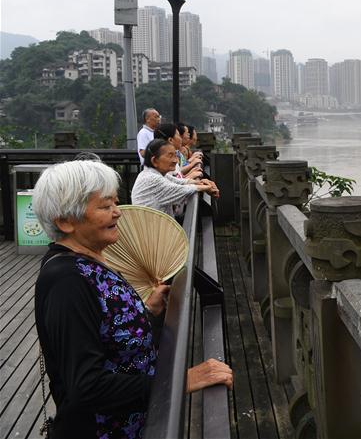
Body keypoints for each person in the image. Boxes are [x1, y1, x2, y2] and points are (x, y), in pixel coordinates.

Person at [32, 160, 232, 439]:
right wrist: (178, 381)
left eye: (116, 203)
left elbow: (106, 333)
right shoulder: (66, 281)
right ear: (65, 222)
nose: (117, 213)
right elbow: (87, 386)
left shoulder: (91, 260)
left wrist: (147, 311)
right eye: (104, 207)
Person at [131, 139, 219, 217]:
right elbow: (181, 189)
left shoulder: (154, 174)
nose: (175, 160)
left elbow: (180, 182)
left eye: (175, 156)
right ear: (154, 161)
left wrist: (202, 183)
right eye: (170, 156)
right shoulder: (152, 179)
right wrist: (207, 187)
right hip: (153, 232)